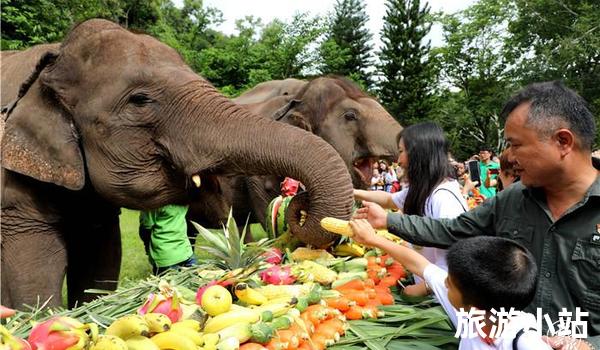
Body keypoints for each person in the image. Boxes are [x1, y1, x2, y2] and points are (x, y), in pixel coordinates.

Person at [354, 81, 600, 349]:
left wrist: (587, 344)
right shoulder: (512, 199)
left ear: (563, 141)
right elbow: (452, 230)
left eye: (516, 145)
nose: (509, 157)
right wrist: (388, 221)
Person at [350, 221, 551, 349]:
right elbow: (419, 265)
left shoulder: (524, 341)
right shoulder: (475, 314)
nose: (444, 283)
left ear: (474, 308)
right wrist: (374, 240)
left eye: (450, 284)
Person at [355, 122, 467, 296]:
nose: (398, 161)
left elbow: (455, 268)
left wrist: (417, 291)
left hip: (440, 301)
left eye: (401, 151)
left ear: (419, 154)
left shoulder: (443, 198)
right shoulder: (425, 190)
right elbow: (389, 199)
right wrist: (353, 192)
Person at [139, 204, 197, 275]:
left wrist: (147, 247)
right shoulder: (183, 199)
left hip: (165, 257)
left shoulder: (154, 205)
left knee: (168, 285)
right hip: (186, 252)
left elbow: (145, 229)